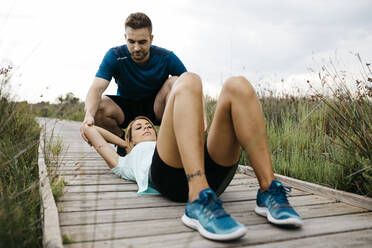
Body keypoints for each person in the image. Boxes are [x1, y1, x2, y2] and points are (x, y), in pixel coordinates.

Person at [82, 72, 303, 241]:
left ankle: (268, 189)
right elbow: (95, 134)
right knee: (188, 80)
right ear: (130, 141)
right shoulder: (126, 160)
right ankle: (198, 200)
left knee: (238, 84)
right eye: (138, 128)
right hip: (170, 179)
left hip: (210, 173)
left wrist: (138, 137)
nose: (146, 128)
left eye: (149, 125)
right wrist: (122, 142)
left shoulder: (167, 141)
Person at [80, 12, 187, 156]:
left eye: (142, 42)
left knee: (176, 82)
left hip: (157, 107)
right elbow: (96, 89)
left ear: (151, 39)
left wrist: (200, 116)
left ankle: (164, 145)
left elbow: (189, 86)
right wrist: (88, 117)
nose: (136, 48)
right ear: (125, 38)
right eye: (131, 42)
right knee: (97, 107)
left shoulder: (166, 57)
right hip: (126, 108)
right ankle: (126, 144)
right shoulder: (115, 55)